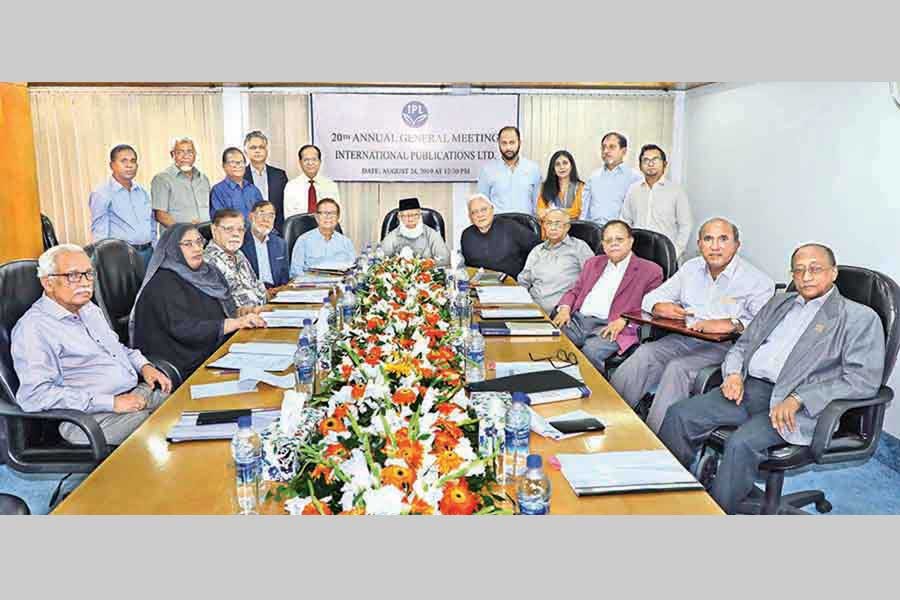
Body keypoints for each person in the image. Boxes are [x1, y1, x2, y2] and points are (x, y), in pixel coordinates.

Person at [659, 244, 885, 514]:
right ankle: (665, 497)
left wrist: (800, 398)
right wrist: (733, 373)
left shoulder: (858, 318)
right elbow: (742, 346)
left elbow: (862, 379)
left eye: (815, 269)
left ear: (833, 273)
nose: (806, 277)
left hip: (799, 406)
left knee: (740, 443)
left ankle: (714, 515)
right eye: (799, 270)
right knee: (680, 414)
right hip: (748, 389)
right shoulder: (780, 302)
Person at [610, 218, 775, 433]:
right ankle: (610, 420)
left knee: (677, 368)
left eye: (723, 239)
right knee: (645, 353)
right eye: (708, 239)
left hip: (727, 348)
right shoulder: (691, 268)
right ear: (699, 244)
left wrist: (734, 324)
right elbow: (651, 298)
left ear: (737, 245)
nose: (715, 246)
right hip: (684, 338)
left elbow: (767, 326)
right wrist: (660, 306)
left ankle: (657, 441)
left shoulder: (757, 281)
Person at [11, 244, 172, 445]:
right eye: (73, 276)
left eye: (88, 274)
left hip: (132, 394)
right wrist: (112, 403)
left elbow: (116, 349)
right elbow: (35, 395)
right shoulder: (34, 329)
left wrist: (144, 366)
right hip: (90, 418)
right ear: (48, 282)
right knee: (163, 431)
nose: (86, 283)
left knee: (185, 406)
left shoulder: (88, 309)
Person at [130, 224, 267, 379]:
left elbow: (217, 312)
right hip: (185, 361)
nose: (197, 248)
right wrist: (235, 323)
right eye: (188, 244)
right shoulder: (162, 283)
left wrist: (241, 313)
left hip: (218, 349)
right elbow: (184, 328)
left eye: (199, 241)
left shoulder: (208, 272)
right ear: (172, 249)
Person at [552, 220, 663, 372]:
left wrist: (624, 319)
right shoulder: (593, 263)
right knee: (551, 341)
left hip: (613, 326)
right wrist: (564, 309)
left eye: (619, 239)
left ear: (630, 242)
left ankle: (592, 392)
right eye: (609, 240)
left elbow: (652, 307)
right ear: (603, 245)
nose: (614, 244)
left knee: (590, 352)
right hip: (578, 321)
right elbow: (575, 290)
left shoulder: (650, 270)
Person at [89, 144, 157, 267]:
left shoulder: (142, 192)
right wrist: (105, 261)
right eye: (123, 161)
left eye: (133, 161)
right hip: (121, 256)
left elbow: (151, 225)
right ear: (112, 165)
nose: (129, 165)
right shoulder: (102, 193)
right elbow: (99, 233)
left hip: (148, 253)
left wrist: (156, 250)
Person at [621, 144, 693, 259]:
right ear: (640, 166)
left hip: (665, 252)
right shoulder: (633, 190)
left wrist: (675, 252)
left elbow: (685, 225)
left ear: (664, 164)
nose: (650, 164)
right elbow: (625, 221)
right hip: (637, 251)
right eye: (646, 160)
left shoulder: (676, 191)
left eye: (655, 159)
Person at [517, 209, 593, 314]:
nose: (553, 228)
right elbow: (523, 281)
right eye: (549, 223)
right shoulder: (537, 250)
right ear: (543, 226)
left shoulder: (579, 248)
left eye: (558, 224)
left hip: (562, 312)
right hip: (532, 309)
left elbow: (591, 281)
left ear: (567, 227)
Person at [460, 193, 540, 280]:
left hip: (512, 284)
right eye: (474, 212)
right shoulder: (467, 235)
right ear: (470, 217)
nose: (480, 215)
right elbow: (468, 268)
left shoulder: (512, 227)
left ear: (492, 210)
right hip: (480, 285)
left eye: (483, 210)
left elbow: (540, 249)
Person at [203, 209, 268, 312]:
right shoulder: (209, 262)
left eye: (240, 229)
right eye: (229, 229)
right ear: (214, 230)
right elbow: (218, 312)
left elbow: (259, 291)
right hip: (240, 324)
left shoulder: (239, 254)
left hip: (261, 315)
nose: (236, 234)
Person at [579, 132, 643, 227]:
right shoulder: (593, 177)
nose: (606, 151)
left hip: (621, 233)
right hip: (594, 232)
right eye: (603, 147)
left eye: (611, 147)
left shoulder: (635, 178)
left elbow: (638, 212)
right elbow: (585, 210)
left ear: (623, 151)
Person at [476, 126, 541, 215]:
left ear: (520, 143)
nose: (508, 147)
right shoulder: (487, 170)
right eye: (504, 143)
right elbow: (482, 204)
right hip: (498, 225)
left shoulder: (533, 169)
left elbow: (537, 204)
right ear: (498, 144)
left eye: (512, 142)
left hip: (525, 225)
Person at [151, 136, 211, 229]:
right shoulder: (162, 179)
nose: (185, 156)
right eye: (180, 152)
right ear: (172, 154)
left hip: (203, 237)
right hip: (177, 238)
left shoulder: (203, 179)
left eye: (189, 152)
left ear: (195, 154)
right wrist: (185, 232)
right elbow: (160, 215)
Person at [289, 198, 356, 277]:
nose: (328, 217)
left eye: (333, 213)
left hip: (340, 285)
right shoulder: (303, 241)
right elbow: (295, 272)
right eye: (324, 213)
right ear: (317, 217)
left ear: (338, 218)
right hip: (311, 285)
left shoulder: (346, 242)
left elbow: (353, 270)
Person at [243, 130, 289, 233]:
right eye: (253, 148)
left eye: (261, 147)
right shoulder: (240, 177)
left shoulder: (280, 175)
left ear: (266, 150)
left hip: (276, 231)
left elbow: (283, 209)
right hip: (249, 232)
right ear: (245, 151)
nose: (257, 151)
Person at [380, 197, 450, 265]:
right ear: (399, 217)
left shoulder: (432, 234)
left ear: (420, 215)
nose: (410, 219)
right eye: (406, 215)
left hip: (427, 274)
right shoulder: (392, 236)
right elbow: (380, 259)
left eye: (414, 215)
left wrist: (424, 264)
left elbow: (445, 259)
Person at [535, 150, 584, 238]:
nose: (562, 167)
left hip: (573, 234)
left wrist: (550, 211)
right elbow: (540, 212)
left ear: (571, 166)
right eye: (557, 164)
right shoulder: (545, 187)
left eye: (565, 163)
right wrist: (564, 213)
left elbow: (576, 212)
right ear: (553, 169)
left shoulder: (580, 187)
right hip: (548, 236)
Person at [283, 144, 341, 218]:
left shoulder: (330, 185)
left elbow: (337, 215)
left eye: (314, 159)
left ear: (320, 162)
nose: (310, 163)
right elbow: (289, 217)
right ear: (300, 162)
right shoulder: (291, 186)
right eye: (306, 160)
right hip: (301, 228)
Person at [241, 201, 289, 288]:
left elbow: (284, 278)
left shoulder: (280, 244)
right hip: (253, 294)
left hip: (277, 293)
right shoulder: (240, 243)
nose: (266, 220)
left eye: (271, 216)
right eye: (261, 214)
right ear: (251, 217)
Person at [209, 147, 263, 221]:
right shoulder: (218, 191)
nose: (237, 165)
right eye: (232, 162)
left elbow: (262, 216)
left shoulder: (253, 190)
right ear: (224, 166)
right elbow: (219, 221)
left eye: (241, 162)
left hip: (256, 232)